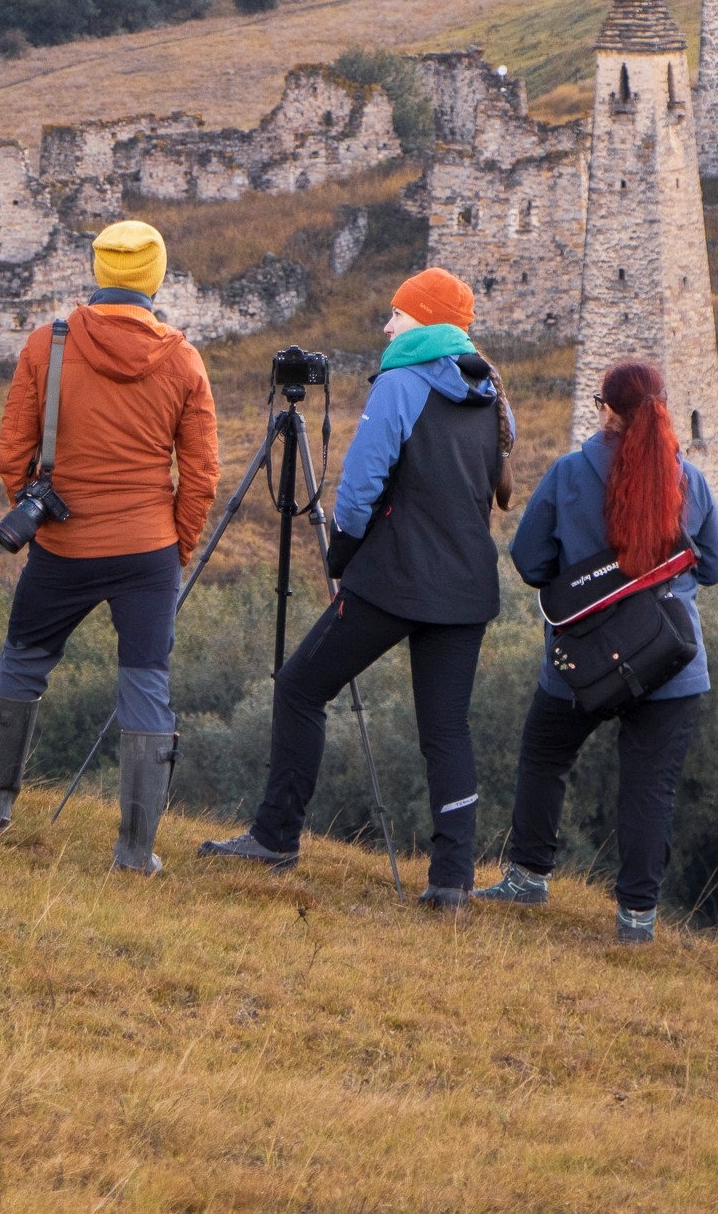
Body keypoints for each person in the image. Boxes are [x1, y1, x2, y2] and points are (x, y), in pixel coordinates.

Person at [202, 267, 511, 907]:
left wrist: (342, 553)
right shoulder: (489, 387)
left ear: (424, 319)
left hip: (393, 579)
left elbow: (361, 484)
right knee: (446, 730)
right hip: (467, 584)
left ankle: (275, 837)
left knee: (300, 687)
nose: (387, 326)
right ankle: (451, 882)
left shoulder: (401, 382)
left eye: (397, 314)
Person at [0, 220, 219, 874]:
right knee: (146, 687)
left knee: (23, 663)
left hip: (62, 544)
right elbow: (200, 476)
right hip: (147, 552)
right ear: (155, 278)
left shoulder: (47, 343)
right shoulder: (184, 360)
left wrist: (37, 508)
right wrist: (176, 549)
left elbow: (12, 450)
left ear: (99, 271)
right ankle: (135, 851)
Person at [480, 359, 718, 944]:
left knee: (546, 755)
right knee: (650, 788)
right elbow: (715, 565)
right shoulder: (688, 480)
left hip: (584, 660)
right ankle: (636, 919)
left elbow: (529, 560)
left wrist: (582, 575)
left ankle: (528, 878)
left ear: (608, 411)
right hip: (670, 661)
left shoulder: (570, 473)